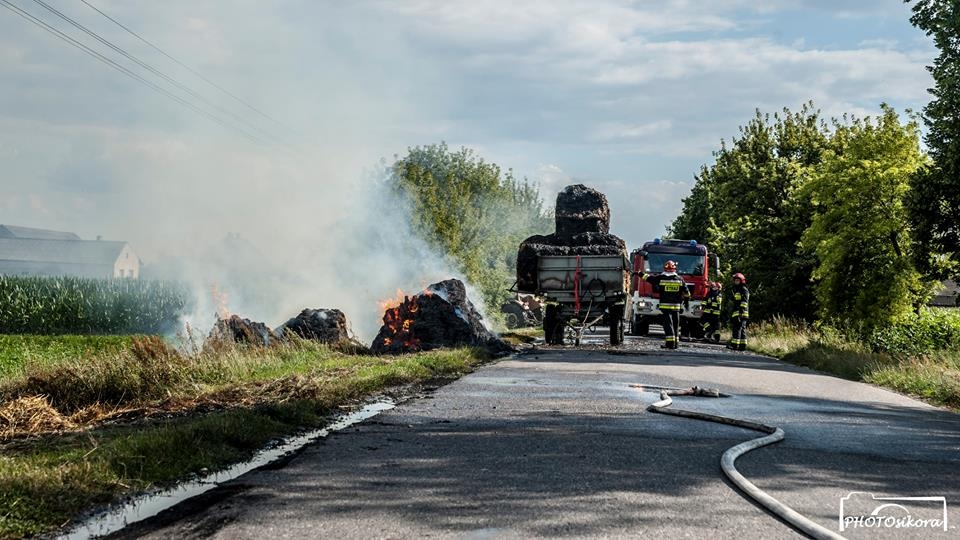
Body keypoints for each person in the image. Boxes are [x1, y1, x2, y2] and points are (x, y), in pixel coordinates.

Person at [639, 260, 690, 349]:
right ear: (675, 269)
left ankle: (670, 344)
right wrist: (686, 301)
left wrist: (639, 274)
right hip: (676, 307)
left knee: (668, 324)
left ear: (665, 268)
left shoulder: (661, 278)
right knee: (675, 325)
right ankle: (676, 344)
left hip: (665, 306)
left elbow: (650, 279)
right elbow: (687, 292)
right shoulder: (679, 279)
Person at [727, 273, 749, 351]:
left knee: (737, 329)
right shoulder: (737, 290)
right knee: (741, 329)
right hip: (738, 313)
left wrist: (741, 312)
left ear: (741, 281)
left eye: (737, 280)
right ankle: (742, 346)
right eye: (735, 280)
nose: (736, 282)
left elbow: (744, 302)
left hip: (741, 313)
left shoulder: (743, 289)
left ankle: (735, 345)